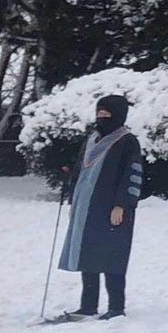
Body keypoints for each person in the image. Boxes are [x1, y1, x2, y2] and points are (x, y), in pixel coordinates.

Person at [57, 95, 144, 320]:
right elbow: (80, 171)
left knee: (113, 255)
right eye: (99, 113)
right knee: (89, 253)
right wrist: (72, 197)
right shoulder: (92, 139)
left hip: (113, 208)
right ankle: (88, 306)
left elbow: (131, 175)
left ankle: (116, 307)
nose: (101, 118)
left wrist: (122, 205)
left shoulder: (127, 141)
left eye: (106, 114)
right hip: (87, 207)